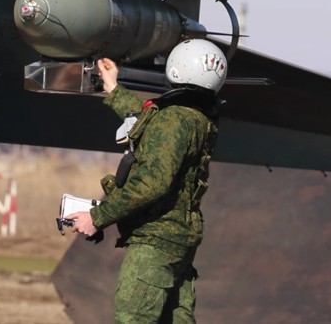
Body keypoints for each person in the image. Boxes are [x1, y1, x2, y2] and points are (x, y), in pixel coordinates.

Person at [65, 39, 227, 323]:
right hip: (179, 241)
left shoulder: (175, 119)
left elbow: (151, 183)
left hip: (155, 241)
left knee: (134, 318)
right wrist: (114, 89)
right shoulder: (197, 118)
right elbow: (146, 121)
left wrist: (98, 217)